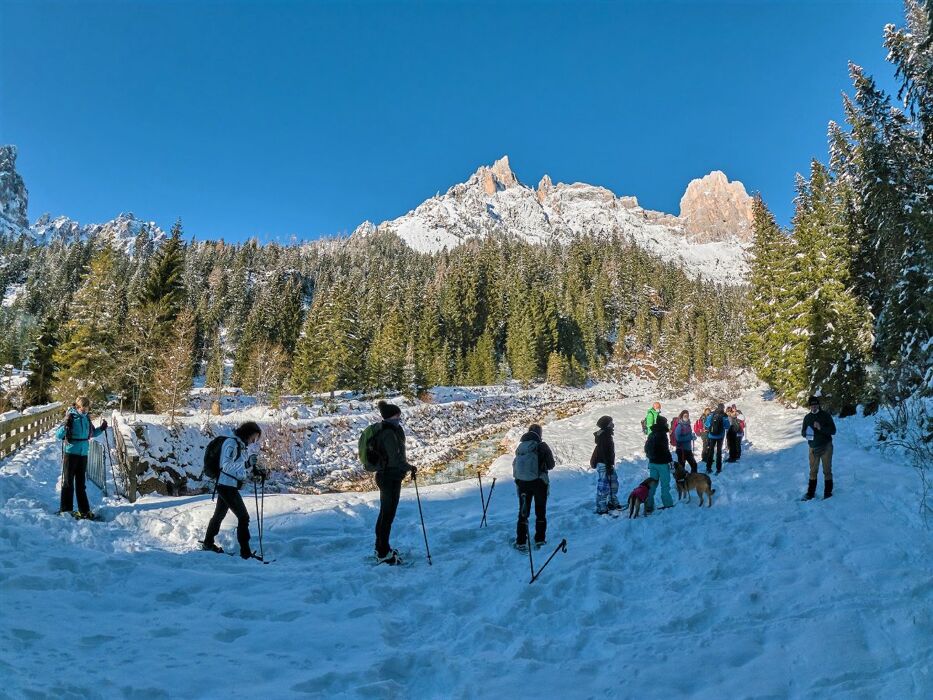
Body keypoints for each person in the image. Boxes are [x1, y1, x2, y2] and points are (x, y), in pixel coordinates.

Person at [201, 421, 264, 559]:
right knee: (243, 517)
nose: (254, 441)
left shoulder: (240, 445)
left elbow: (238, 468)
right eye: (254, 437)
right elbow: (226, 466)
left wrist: (251, 468)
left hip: (228, 485)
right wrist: (246, 464)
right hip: (226, 485)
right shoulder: (231, 443)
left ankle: (208, 543)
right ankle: (245, 553)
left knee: (219, 516)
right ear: (248, 433)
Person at [369, 401, 416, 565]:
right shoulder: (388, 434)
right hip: (389, 477)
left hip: (387, 476)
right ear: (390, 416)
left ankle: (381, 547)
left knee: (384, 514)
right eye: (397, 415)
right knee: (387, 516)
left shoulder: (389, 430)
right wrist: (410, 467)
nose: (399, 418)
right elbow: (395, 460)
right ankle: (383, 553)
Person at [55, 396, 107, 519]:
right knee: (68, 482)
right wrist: (65, 426)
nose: (84, 410)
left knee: (81, 484)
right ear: (77, 407)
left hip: (83, 454)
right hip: (71, 453)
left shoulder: (87, 419)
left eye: (86, 408)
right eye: (82, 408)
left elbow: (92, 433)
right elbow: (59, 435)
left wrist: (102, 428)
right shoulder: (70, 417)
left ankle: (84, 511)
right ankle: (66, 509)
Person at [513, 423, 556, 550]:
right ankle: (539, 540)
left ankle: (521, 541)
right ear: (539, 433)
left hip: (522, 484)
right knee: (540, 512)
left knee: (523, 512)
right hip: (539, 483)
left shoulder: (521, 446)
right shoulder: (542, 446)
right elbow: (551, 465)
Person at [801, 396, 836, 500]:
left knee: (827, 470)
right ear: (810, 406)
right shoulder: (807, 418)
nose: (814, 407)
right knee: (813, 471)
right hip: (812, 447)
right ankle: (810, 493)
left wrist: (821, 428)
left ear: (819, 405)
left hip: (826, 446)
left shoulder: (825, 415)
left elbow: (833, 431)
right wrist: (806, 433)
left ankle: (828, 493)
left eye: (816, 404)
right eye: (812, 405)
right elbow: (803, 432)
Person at [644, 415, 674, 512]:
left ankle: (649, 505)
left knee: (652, 484)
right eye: (666, 422)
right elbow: (665, 450)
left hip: (652, 463)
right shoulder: (662, 435)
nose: (667, 424)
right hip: (662, 464)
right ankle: (668, 504)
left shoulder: (652, 433)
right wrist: (670, 460)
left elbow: (646, 448)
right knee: (665, 485)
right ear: (663, 423)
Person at [591, 415, 620, 514]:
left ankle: (612, 502)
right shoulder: (604, 436)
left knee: (613, 484)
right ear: (607, 425)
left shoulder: (606, 434)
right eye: (611, 422)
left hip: (607, 464)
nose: (613, 424)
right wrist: (608, 465)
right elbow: (604, 452)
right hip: (604, 464)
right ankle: (601, 507)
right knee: (604, 486)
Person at [704, 403, 730, 474]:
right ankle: (718, 468)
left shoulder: (712, 414)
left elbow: (706, 424)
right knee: (719, 452)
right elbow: (727, 426)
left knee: (711, 451)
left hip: (711, 436)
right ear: (723, 408)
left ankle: (708, 467)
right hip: (720, 436)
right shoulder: (724, 416)